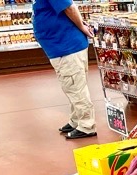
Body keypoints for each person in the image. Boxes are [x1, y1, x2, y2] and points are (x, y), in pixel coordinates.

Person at [32, 0, 97, 140]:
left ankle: (86, 125)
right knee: (71, 86)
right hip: (61, 46)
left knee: (76, 87)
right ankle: (76, 120)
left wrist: (82, 27)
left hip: (67, 47)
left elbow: (70, 8)